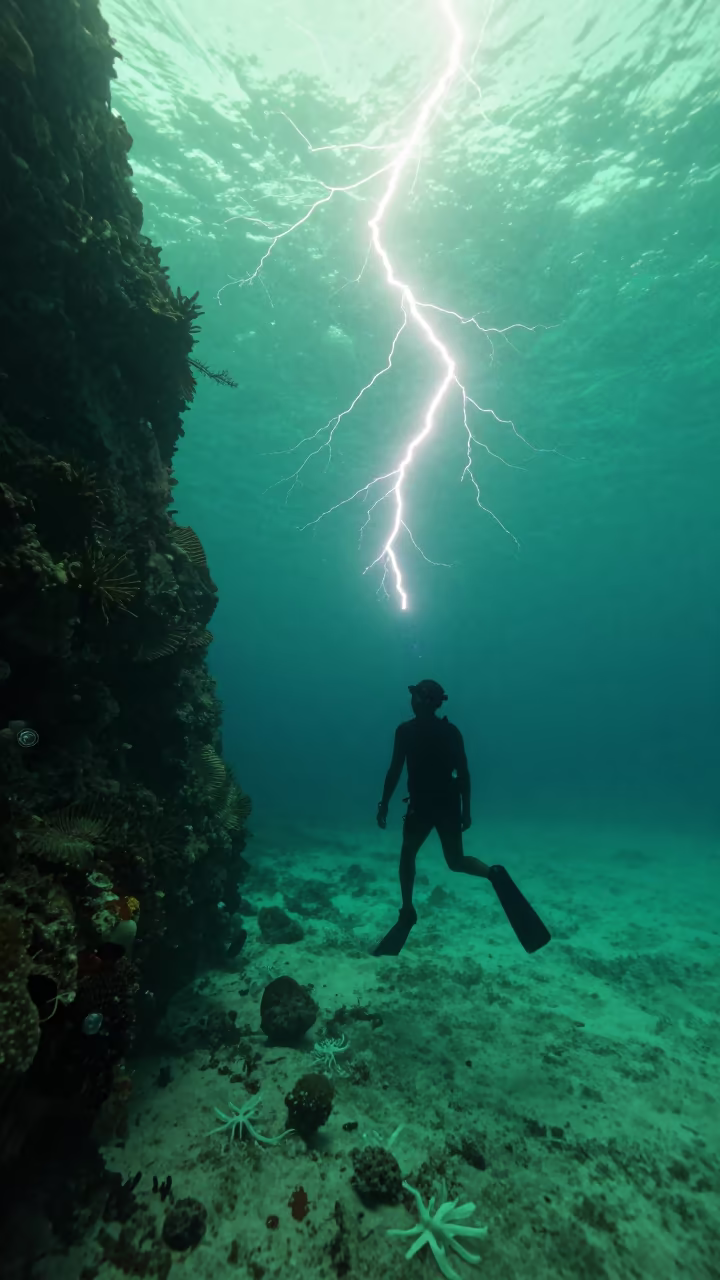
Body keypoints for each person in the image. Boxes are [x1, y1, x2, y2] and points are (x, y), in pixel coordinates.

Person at [373, 679, 491, 955]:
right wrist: (466, 810)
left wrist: (384, 804)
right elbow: (463, 775)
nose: (411, 701)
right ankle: (492, 875)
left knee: (407, 855)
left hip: (422, 806)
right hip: (448, 804)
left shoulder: (405, 732)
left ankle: (408, 910)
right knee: (456, 861)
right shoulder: (451, 732)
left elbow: (394, 771)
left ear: (425, 700)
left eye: (415, 696)